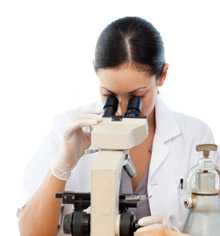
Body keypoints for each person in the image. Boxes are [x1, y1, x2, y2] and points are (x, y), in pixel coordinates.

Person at [17, 16, 215, 236]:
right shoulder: (68, 128)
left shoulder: (195, 137)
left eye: (137, 96)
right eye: (109, 95)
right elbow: (30, 233)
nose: (121, 110)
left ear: (162, 75)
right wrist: (61, 167)